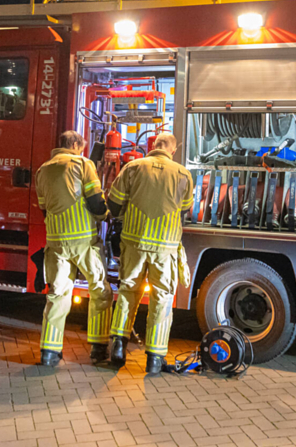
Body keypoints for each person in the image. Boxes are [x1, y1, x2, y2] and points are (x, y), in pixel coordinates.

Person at [106, 132, 194, 374]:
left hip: (134, 242)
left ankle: (118, 348)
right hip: (165, 248)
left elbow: (113, 205)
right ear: (173, 151)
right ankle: (155, 359)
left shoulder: (133, 167)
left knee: (127, 292)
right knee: (162, 298)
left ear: (152, 146)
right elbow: (185, 209)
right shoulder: (184, 174)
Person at [35, 130, 113, 366]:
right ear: (77, 145)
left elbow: (44, 209)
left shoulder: (43, 169)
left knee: (57, 294)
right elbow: (95, 200)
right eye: (81, 146)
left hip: (56, 241)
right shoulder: (83, 163)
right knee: (100, 290)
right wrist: (106, 216)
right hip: (83, 242)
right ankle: (99, 349)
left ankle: (49, 352)